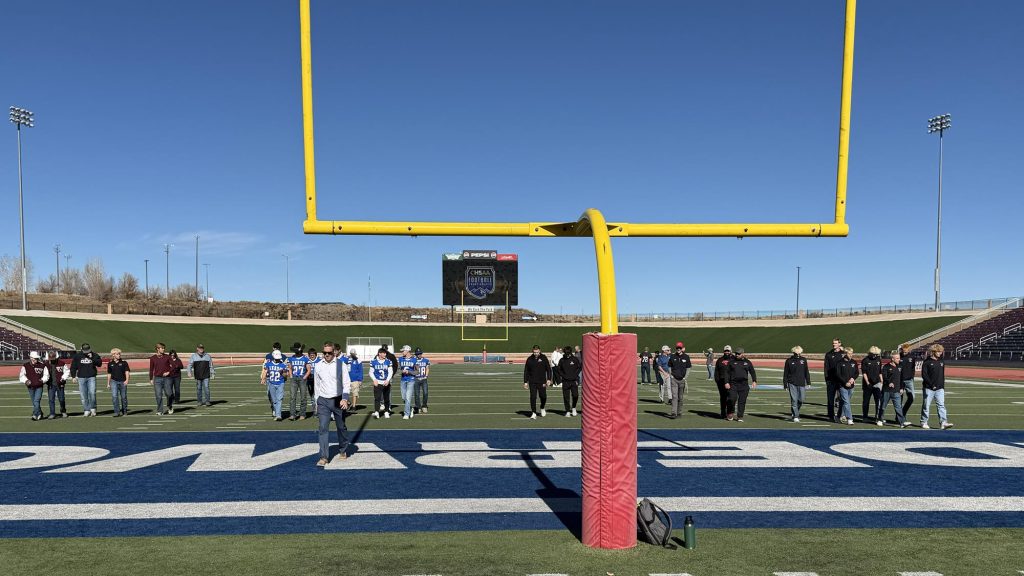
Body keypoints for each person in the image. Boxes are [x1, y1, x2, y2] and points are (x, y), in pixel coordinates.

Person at [313, 341, 351, 467]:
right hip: (323, 400)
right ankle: (323, 456)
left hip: (337, 399)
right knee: (323, 428)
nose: (327, 355)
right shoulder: (318, 365)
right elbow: (316, 385)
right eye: (324, 353)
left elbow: (346, 383)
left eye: (329, 352)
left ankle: (343, 449)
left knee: (341, 427)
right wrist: (317, 402)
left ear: (334, 352)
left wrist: (345, 399)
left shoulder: (341, 365)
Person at [920, 343, 953, 430]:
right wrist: (931, 385)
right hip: (928, 388)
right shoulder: (927, 362)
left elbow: (942, 375)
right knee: (926, 406)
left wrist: (942, 386)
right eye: (938, 351)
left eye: (941, 352)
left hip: (940, 388)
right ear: (933, 352)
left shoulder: (941, 361)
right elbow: (924, 375)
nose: (940, 353)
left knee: (941, 405)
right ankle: (924, 422)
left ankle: (943, 422)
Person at [70, 342, 103, 417]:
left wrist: (92, 358)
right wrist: (73, 376)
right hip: (81, 377)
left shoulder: (94, 355)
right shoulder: (77, 356)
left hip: (91, 377)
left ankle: (93, 408)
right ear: (81, 349)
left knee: (92, 393)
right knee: (83, 395)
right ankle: (86, 410)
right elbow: (73, 367)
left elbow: (99, 364)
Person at [725, 348, 757, 422]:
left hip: (744, 384)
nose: (737, 355)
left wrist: (754, 381)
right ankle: (730, 412)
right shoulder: (731, 362)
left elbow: (752, 371)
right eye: (736, 353)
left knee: (742, 401)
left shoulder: (747, 362)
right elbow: (726, 373)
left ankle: (740, 416)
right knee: (732, 399)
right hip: (733, 384)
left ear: (743, 353)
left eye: (739, 354)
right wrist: (726, 382)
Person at [878, 350, 908, 427]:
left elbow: (902, 378)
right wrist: (889, 382)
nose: (899, 360)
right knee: (883, 406)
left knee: (898, 407)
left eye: (899, 358)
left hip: (897, 391)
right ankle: (880, 419)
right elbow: (884, 377)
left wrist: (902, 388)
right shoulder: (886, 367)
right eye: (897, 358)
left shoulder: (900, 366)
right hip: (887, 390)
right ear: (892, 359)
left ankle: (902, 422)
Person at [782, 345, 811, 422]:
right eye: (796, 352)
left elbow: (806, 371)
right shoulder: (789, 361)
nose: (798, 354)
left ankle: (795, 411)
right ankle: (796, 416)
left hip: (801, 383)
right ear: (793, 352)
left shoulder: (803, 360)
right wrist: (785, 384)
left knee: (801, 399)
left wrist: (808, 382)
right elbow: (785, 373)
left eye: (799, 352)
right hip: (792, 383)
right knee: (794, 400)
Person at [261, 350, 291, 421]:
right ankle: (277, 412)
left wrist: (283, 373)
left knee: (279, 399)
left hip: (280, 383)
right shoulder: (268, 364)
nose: (277, 359)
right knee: (274, 400)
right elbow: (265, 371)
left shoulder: (283, 365)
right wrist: (263, 378)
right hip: (271, 383)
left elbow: (287, 375)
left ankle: (278, 415)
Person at [523, 344, 552, 419]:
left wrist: (549, 379)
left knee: (543, 396)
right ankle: (533, 412)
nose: (536, 353)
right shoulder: (529, 359)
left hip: (542, 381)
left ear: (540, 351)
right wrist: (525, 382)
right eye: (534, 352)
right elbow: (526, 371)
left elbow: (548, 369)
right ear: (532, 351)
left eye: (537, 352)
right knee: (533, 397)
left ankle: (542, 407)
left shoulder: (544, 358)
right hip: (532, 382)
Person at [20, 351, 50, 421]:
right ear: (31, 358)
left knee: (36, 401)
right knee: (34, 402)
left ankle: (35, 414)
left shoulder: (42, 365)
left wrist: (42, 380)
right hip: (30, 387)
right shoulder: (25, 366)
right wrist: (26, 381)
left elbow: (46, 375)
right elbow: (21, 375)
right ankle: (40, 413)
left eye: (37, 358)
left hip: (39, 386)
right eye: (34, 358)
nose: (36, 360)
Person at [667, 342, 692, 419]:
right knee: (674, 396)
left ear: (682, 348)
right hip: (674, 379)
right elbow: (669, 366)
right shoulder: (672, 356)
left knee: (680, 397)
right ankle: (673, 413)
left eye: (680, 348)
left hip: (682, 380)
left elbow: (688, 367)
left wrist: (685, 377)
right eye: (677, 348)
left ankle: (679, 412)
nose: (678, 349)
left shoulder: (686, 357)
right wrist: (671, 375)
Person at [149, 343, 175, 415]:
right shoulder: (153, 358)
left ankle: (170, 406)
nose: (163, 349)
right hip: (157, 379)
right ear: (158, 349)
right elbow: (151, 369)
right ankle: (160, 410)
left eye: (164, 348)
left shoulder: (167, 357)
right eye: (162, 348)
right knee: (158, 395)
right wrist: (151, 379)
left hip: (167, 378)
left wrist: (168, 372)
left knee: (169, 394)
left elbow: (173, 366)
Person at [823, 338, 845, 422]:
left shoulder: (843, 354)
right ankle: (831, 415)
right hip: (831, 380)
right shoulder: (829, 354)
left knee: (842, 398)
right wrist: (827, 379)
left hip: (841, 381)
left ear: (840, 344)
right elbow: (826, 368)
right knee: (830, 399)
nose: (834, 344)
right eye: (833, 343)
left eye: (835, 343)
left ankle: (841, 414)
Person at [287, 344, 311, 420]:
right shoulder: (291, 358)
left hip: (302, 378)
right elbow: (290, 368)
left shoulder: (305, 358)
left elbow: (309, 370)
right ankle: (292, 414)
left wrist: (304, 377)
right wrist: (291, 375)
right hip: (294, 378)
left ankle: (302, 414)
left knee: (303, 397)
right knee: (292, 397)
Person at [836, 347, 859, 425]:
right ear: (845, 354)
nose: (851, 355)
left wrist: (853, 378)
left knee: (844, 402)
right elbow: (838, 374)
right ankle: (849, 418)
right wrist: (845, 382)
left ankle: (838, 416)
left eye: (852, 353)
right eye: (849, 353)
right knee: (846, 402)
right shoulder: (839, 363)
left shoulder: (854, 362)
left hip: (851, 386)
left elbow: (857, 373)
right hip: (842, 386)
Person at [556, 345, 581, 416]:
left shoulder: (575, 359)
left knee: (575, 395)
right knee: (566, 397)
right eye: (566, 353)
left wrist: (575, 375)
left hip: (574, 381)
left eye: (568, 353)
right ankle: (567, 410)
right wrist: (563, 375)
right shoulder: (562, 360)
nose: (567, 355)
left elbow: (579, 367)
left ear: (570, 352)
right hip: (565, 381)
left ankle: (573, 408)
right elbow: (559, 369)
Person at [860, 346, 883, 423]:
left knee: (878, 401)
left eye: (876, 354)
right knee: (866, 401)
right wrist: (867, 382)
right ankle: (865, 417)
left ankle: (878, 417)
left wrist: (882, 381)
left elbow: (880, 372)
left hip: (877, 383)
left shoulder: (878, 360)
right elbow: (864, 373)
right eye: (873, 354)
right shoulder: (865, 360)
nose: (875, 356)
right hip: (868, 384)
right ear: (869, 353)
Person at [106, 348, 130, 417]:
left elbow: (127, 372)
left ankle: (124, 411)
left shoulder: (124, 363)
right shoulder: (110, 363)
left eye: (119, 354)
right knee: (114, 396)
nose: (119, 355)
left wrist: (127, 380)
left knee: (123, 397)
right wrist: (108, 383)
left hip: (123, 381)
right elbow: (109, 374)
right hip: (114, 381)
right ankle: (116, 412)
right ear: (113, 355)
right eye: (117, 354)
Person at [370, 348, 394, 419]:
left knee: (386, 398)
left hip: (385, 382)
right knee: (377, 398)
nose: (385, 354)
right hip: (378, 382)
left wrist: (387, 380)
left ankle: (386, 411)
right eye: (383, 353)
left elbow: (390, 372)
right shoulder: (373, 361)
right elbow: (371, 372)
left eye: (385, 353)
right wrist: (374, 380)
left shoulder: (388, 361)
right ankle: (377, 411)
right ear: (379, 353)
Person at [45, 351, 69, 418]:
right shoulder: (46, 364)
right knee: (51, 399)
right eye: (50, 359)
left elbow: (67, 371)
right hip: (51, 384)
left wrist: (63, 378)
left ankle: (63, 411)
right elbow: (44, 373)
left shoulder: (61, 363)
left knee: (61, 399)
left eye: (53, 358)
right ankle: (52, 413)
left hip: (60, 384)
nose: (52, 360)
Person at [397, 345, 418, 419]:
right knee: (404, 398)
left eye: (403, 351)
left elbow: (417, 372)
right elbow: (398, 370)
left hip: (411, 380)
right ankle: (411, 408)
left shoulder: (415, 359)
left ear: (407, 351)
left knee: (408, 397)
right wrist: (402, 371)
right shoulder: (400, 359)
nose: (402, 352)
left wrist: (409, 371)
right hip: (403, 380)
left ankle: (406, 414)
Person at [714, 345, 734, 419]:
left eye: (728, 351)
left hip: (731, 381)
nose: (727, 352)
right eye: (725, 351)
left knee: (731, 398)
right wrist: (717, 380)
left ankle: (730, 412)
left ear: (730, 351)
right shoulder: (720, 360)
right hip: (721, 381)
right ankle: (723, 412)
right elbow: (716, 371)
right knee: (723, 397)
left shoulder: (734, 359)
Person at [899, 343, 917, 421]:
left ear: (909, 350)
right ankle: (899, 417)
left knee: (912, 398)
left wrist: (912, 377)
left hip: (909, 380)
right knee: (899, 400)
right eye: (903, 351)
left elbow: (913, 368)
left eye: (906, 351)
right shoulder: (898, 356)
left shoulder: (912, 357)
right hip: (900, 380)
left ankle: (903, 412)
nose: (904, 353)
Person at [413, 347, 430, 414]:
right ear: (416, 354)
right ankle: (418, 407)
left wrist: (426, 376)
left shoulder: (426, 360)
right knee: (417, 394)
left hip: (423, 379)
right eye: (418, 354)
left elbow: (427, 368)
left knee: (425, 393)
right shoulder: (413, 360)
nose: (419, 355)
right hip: (416, 379)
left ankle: (424, 406)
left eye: (420, 353)